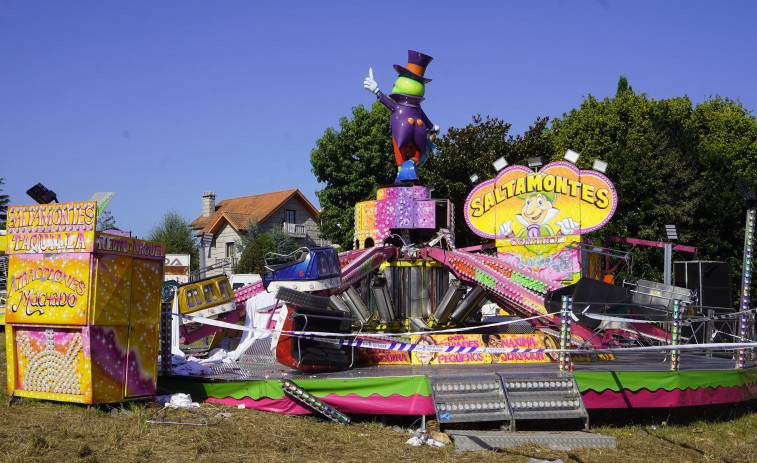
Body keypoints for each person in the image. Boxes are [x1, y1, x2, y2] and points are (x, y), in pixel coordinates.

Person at [363, 50, 440, 183]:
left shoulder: (413, 108)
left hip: (409, 131)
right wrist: (376, 91)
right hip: (409, 131)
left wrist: (376, 91)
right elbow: (388, 103)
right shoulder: (406, 108)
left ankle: (406, 167)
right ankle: (404, 168)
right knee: (406, 150)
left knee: (410, 151)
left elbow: (423, 117)